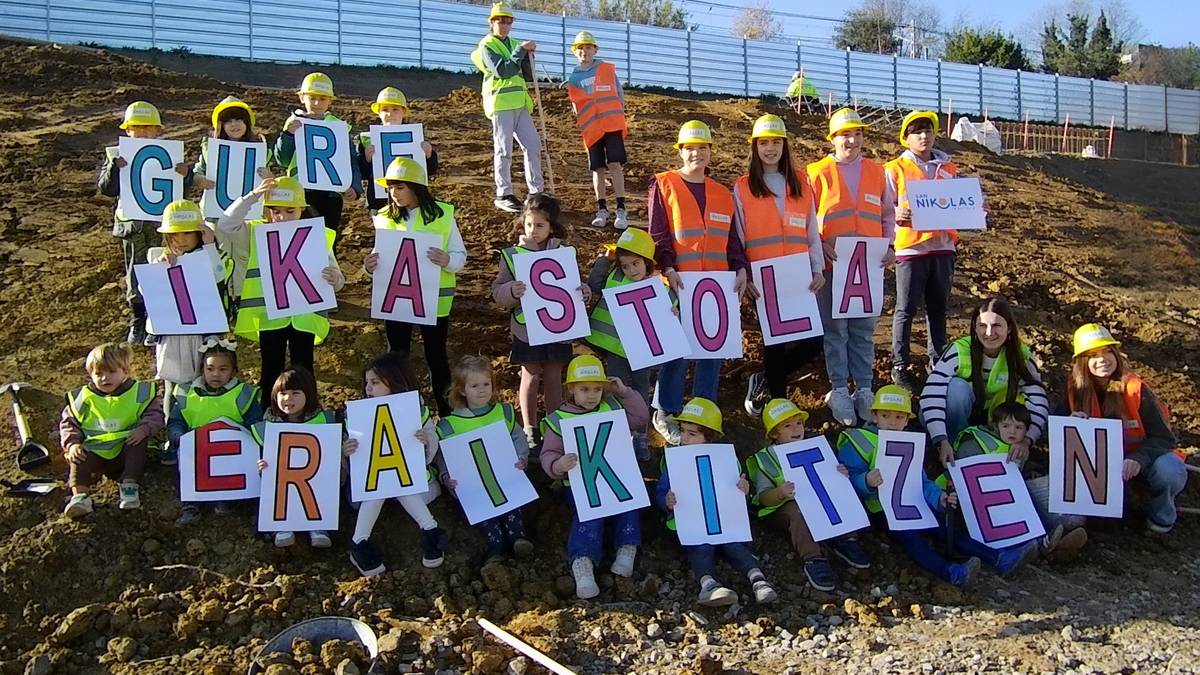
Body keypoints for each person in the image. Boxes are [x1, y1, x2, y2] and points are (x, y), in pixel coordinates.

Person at [839, 386, 1041, 587]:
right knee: (914, 541)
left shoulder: (908, 442)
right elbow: (845, 482)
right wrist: (866, 481)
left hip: (912, 503)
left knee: (946, 530)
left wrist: (939, 498)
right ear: (874, 416)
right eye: (886, 415)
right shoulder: (859, 440)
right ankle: (951, 572)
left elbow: (920, 481)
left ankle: (999, 558)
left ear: (907, 420)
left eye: (899, 417)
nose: (893, 422)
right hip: (882, 509)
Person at [649, 120, 749, 445]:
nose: (696, 153)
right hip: (677, 283)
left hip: (716, 286)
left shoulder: (722, 193)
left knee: (711, 351)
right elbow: (659, 234)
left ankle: (703, 415)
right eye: (690, 148)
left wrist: (740, 267)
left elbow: (732, 239)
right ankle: (666, 411)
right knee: (677, 352)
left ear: (710, 152)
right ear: (680, 150)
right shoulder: (663, 184)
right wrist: (667, 266)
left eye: (702, 148)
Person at [219, 176, 345, 406]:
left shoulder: (315, 235)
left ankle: (307, 413)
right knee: (270, 368)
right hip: (270, 317)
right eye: (275, 211)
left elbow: (338, 281)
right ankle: (269, 414)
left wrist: (334, 278)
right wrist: (253, 196)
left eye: (289, 211)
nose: (282, 217)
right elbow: (226, 224)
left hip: (304, 317)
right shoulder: (255, 232)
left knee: (304, 368)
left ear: (301, 210)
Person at [806, 108, 896, 426]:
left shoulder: (877, 171)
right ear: (833, 138)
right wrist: (820, 245)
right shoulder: (816, 172)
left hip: (868, 264)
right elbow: (807, 218)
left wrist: (890, 245)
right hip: (835, 264)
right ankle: (840, 389)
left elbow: (887, 213)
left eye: (856, 133)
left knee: (863, 329)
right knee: (836, 330)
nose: (852, 139)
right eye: (845, 134)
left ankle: (866, 389)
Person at [735, 114, 825, 415]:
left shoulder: (801, 183)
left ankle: (764, 379)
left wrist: (817, 268)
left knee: (813, 342)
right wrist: (745, 273)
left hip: (799, 277)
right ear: (755, 147)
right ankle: (778, 406)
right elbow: (739, 234)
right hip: (764, 279)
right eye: (764, 143)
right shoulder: (744, 186)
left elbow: (811, 231)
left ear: (784, 145)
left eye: (775, 142)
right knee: (775, 344)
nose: (770, 149)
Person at [540, 355, 649, 599]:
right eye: (585, 389)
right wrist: (558, 465)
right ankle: (583, 563)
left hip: (615, 482)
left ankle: (627, 547)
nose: (592, 395)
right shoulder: (559, 419)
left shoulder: (611, 407)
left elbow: (640, 418)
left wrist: (625, 393)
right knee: (589, 513)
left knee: (630, 506)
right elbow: (548, 453)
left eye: (597, 389)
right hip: (580, 485)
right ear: (571, 389)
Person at [366, 157, 466, 417]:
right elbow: (380, 255)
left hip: (433, 301)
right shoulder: (384, 217)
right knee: (397, 358)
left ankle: (446, 415)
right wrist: (370, 264)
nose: (393, 193)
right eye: (390, 188)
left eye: (399, 187)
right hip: (397, 299)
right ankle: (400, 413)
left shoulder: (443, 214)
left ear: (415, 186)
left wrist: (448, 261)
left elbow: (459, 255)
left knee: (436, 358)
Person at [1065, 323, 1187, 534]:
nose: (1102, 359)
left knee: (1170, 471)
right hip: (1102, 468)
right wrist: (1070, 421)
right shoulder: (1075, 390)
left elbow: (1164, 439)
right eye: (1093, 355)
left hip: (1145, 460)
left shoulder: (1135, 390)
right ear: (1082, 362)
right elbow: (1057, 433)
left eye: (1107, 352)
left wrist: (1138, 459)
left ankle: (1161, 519)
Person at [657, 397, 778, 607]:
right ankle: (708, 585)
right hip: (692, 519)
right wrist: (666, 500)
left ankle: (758, 580)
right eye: (683, 430)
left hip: (724, 519)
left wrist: (744, 489)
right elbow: (660, 491)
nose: (684, 437)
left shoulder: (725, 459)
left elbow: (738, 488)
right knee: (701, 547)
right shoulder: (674, 460)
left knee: (736, 546)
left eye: (692, 433)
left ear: (709, 436)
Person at [746, 398, 869, 592]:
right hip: (784, 508)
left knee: (838, 494)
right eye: (788, 426)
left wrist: (839, 473)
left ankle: (847, 539)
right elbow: (762, 498)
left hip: (818, 501)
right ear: (774, 432)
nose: (796, 429)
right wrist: (779, 493)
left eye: (799, 423)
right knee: (798, 512)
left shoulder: (815, 446)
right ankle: (813, 558)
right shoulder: (766, 458)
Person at [97, 101, 193, 345]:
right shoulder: (117, 156)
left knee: (162, 271)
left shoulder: (167, 156)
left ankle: (157, 321)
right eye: (136, 127)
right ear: (127, 130)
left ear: (157, 130)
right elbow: (107, 189)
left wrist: (186, 175)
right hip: (133, 227)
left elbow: (182, 191)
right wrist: (113, 168)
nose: (141, 132)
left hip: (162, 228)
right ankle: (138, 321)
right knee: (135, 274)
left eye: (147, 127)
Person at [343, 352, 446, 576]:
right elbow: (356, 455)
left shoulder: (415, 409)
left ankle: (430, 531)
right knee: (382, 486)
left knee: (399, 483)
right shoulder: (358, 414)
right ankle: (360, 542)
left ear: (395, 382)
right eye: (367, 382)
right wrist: (347, 450)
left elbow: (432, 437)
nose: (368, 388)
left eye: (375, 382)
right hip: (374, 484)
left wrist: (426, 440)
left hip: (411, 480)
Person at [491, 193, 580, 447]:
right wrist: (511, 291)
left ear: (552, 226)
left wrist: (583, 291)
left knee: (554, 376)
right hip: (526, 330)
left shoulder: (564, 253)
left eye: (540, 225)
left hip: (558, 330)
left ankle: (553, 426)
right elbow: (497, 291)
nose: (533, 230)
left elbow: (575, 285)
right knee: (530, 375)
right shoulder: (512, 255)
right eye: (529, 224)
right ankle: (529, 429)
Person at [919, 295, 1048, 468]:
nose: (989, 333)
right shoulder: (959, 350)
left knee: (1019, 400)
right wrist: (941, 440)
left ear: (1009, 328)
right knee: (956, 389)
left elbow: (1038, 400)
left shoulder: (1021, 355)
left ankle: (1007, 457)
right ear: (974, 327)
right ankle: (953, 451)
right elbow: (931, 395)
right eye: (982, 325)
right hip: (947, 422)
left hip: (991, 424)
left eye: (996, 326)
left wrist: (1027, 440)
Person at [885, 111, 963, 392]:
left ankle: (938, 363)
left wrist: (976, 209)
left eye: (928, 130)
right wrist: (896, 212)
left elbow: (960, 204)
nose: (924, 136)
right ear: (906, 138)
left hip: (943, 248)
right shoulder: (895, 169)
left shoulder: (949, 169)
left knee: (938, 309)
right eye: (917, 131)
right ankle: (900, 365)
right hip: (911, 249)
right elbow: (883, 208)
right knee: (905, 309)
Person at [952, 402, 1088, 560]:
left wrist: (1071, 422)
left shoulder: (1021, 445)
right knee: (1022, 496)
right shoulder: (974, 442)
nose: (1012, 431)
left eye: (1018, 427)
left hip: (1009, 499)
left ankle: (1056, 544)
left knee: (1033, 489)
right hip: (979, 503)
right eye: (1006, 426)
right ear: (996, 426)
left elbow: (1051, 435)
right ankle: (1046, 541)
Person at [146, 199, 226, 464]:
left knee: (203, 385)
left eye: (187, 233)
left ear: (199, 233)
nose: (180, 240)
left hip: (204, 334)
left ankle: (201, 436)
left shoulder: (210, 256)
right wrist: (161, 267)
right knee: (173, 388)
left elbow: (218, 275)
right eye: (175, 234)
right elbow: (149, 293)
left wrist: (211, 244)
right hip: (174, 336)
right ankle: (174, 438)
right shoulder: (157, 257)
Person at [436, 356, 534, 566]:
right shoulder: (449, 425)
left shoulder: (503, 412)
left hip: (504, 479)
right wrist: (446, 477)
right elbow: (443, 455)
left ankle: (518, 538)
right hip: (475, 487)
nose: (482, 390)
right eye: (474, 385)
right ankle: (495, 548)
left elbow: (518, 437)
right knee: (485, 514)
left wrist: (521, 457)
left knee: (512, 505)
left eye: (486, 384)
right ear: (462, 390)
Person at [585, 227, 667, 461]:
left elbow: (671, 310)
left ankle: (639, 435)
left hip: (642, 352)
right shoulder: (613, 277)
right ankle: (616, 433)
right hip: (616, 352)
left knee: (641, 389)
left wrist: (673, 309)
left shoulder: (658, 285)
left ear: (647, 263)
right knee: (614, 388)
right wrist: (605, 260)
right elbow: (594, 283)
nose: (630, 270)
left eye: (636, 264)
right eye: (625, 265)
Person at [60, 343, 163, 518]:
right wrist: (72, 444)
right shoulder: (82, 398)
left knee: (138, 444)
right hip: (96, 452)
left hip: (126, 449)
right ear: (90, 374)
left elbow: (156, 415)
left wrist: (143, 430)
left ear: (125, 371)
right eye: (98, 374)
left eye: (112, 372)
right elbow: (68, 423)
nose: (104, 378)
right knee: (78, 456)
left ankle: (129, 487)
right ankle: (80, 496)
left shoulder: (140, 392)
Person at [166, 339, 263, 525]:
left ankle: (226, 499)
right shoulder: (186, 393)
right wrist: (178, 436)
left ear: (234, 370)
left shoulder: (243, 394)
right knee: (182, 463)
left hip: (230, 453)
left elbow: (255, 423)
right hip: (197, 453)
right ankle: (190, 505)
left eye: (223, 369)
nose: (216, 374)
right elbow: (176, 421)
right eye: (210, 369)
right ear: (202, 368)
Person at [192, 96, 274, 308]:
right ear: (220, 125)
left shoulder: (260, 148)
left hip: (247, 217)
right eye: (228, 121)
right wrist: (200, 179)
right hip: (214, 214)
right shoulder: (209, 148)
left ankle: (240, 297)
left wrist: (268, 176)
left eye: (239, 119)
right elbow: (197, 172)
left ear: (247, 123)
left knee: (243, 256)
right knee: (218, 257)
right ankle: (220, 300)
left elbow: (267, 180)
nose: (234, 125)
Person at [469, 2, 544, 213]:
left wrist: (528, 57)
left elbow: (527, 75)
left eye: (508, 21)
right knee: (503, 150)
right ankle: (504, 193)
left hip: (520, 104)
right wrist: (521, 51)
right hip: (501, 104)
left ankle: (536, 192)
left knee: (533, 145)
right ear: (491, 23)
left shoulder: (514, 43)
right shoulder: (487, 46)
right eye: (499, 20)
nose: (504, 24)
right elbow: (504, 71)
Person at [252, 367, 338, 548]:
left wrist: (343, 451)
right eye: (282, 393)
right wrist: (261, 465)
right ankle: (281, 527)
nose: (288, 398)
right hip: (283, 483)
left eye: (295, 393)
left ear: (309, 394)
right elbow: (260, 453)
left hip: (314, 481)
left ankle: (319, 526)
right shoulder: (267, 424)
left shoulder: (325, 420)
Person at [273, 72, 361, 250]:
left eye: (322, 99)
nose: (316, 103)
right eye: (312, 98)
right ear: (302, 97)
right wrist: (288, 135)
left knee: (327, 243)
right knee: (298, 243)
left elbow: (350, 161)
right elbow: (282, 159)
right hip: (300, 194)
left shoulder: (338, 126)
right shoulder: (294, 123)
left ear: (330, 100)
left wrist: (355, 187)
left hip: (331, 196)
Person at [566, 31, 629, 230]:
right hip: (592, 128)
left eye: (588, 47)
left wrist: (618, 114)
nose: (584, 51)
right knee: (597, 168)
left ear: (594, 49)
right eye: (580, 48)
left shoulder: (605, 69)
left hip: (611, 124)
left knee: (615, 164)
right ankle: (602, 209)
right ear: (575, 52)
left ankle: (621, 209)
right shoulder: (574, 77)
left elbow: (619, 94)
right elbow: (577, 105)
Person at [358, 87, 439, 215]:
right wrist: (366, 159)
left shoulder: (416, 138)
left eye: (395, 109)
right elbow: (362, 173)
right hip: (379, 201)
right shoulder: (368, 140)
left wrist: (429, 155)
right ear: (378, 113)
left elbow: (429, 171)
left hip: (412, 202)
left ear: (404, 112)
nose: (390, 114)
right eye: (385, 110)